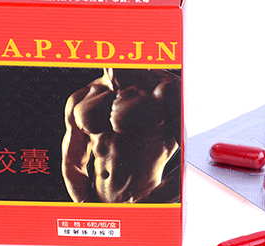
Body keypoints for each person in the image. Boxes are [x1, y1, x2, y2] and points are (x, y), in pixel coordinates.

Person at [61, 68, 181, 203]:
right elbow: (72, 163)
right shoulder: (81, 97)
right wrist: (88, 206)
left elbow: (193, 161)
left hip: (143, 207)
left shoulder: (168, 88)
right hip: (97, 207)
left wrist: (144, 205)